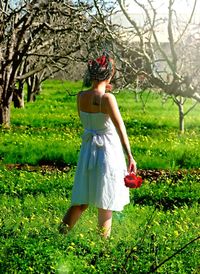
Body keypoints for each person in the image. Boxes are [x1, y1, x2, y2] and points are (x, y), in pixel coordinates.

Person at [59, 52, 137, 238]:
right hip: (107, 151)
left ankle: (59, 235)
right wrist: (130, 156)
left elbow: (87, 121)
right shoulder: (107, 99)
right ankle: (101, 247)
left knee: (81, 200)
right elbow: (120, 129)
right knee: (106, 202)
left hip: (88, 151)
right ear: (109, 75)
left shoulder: (80, 96)